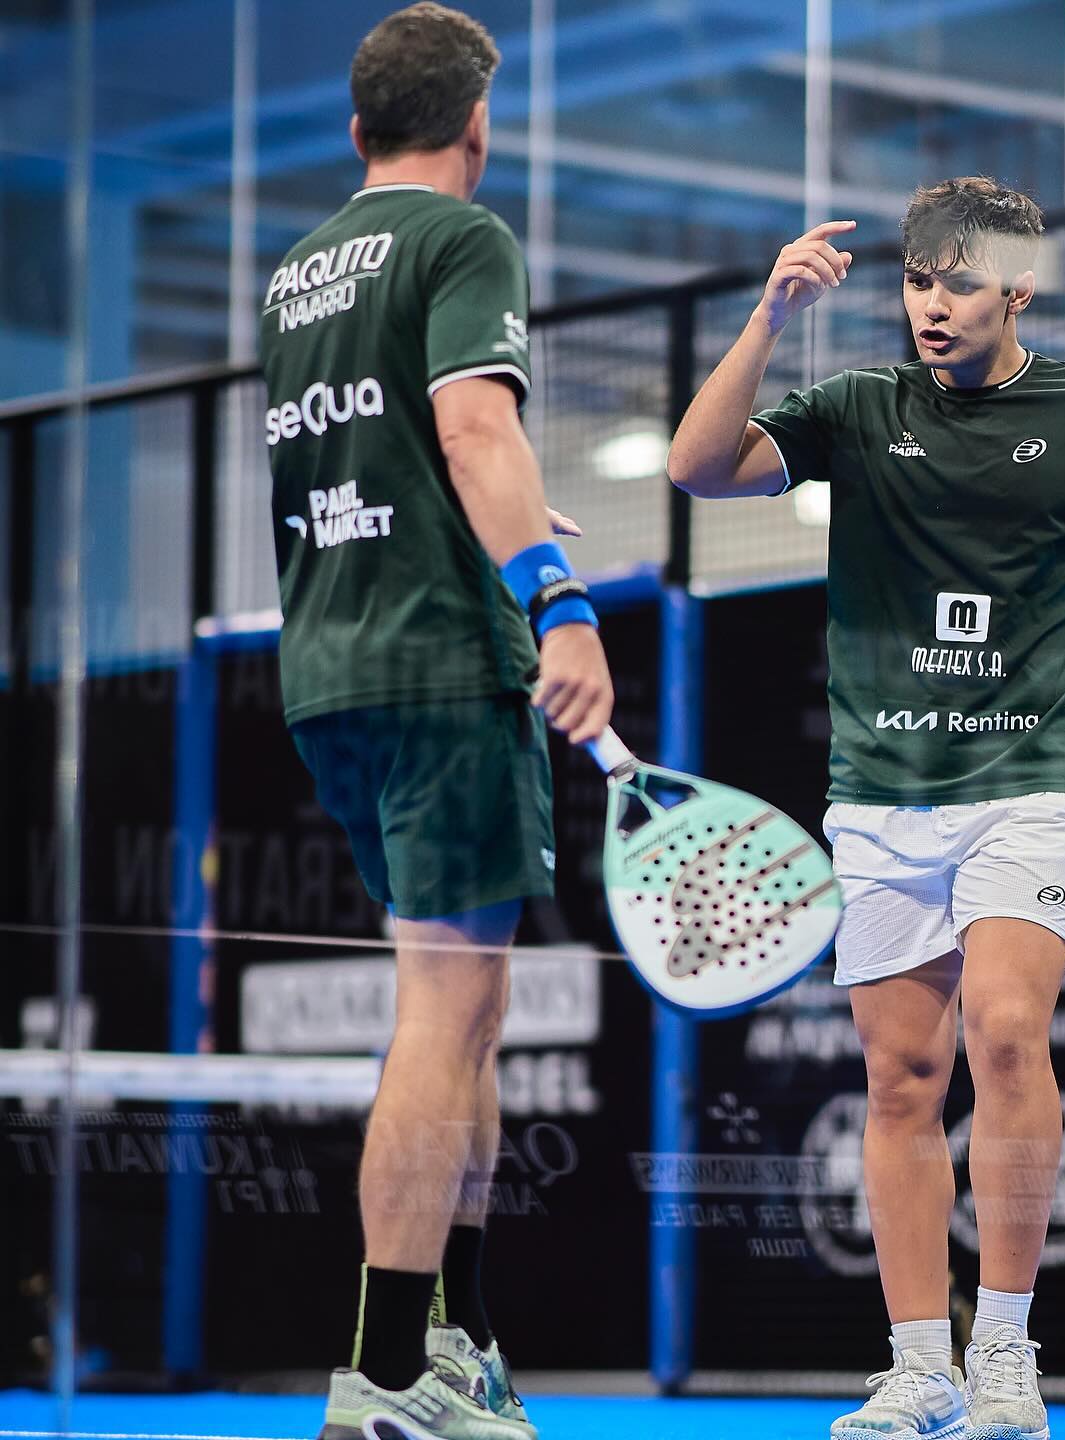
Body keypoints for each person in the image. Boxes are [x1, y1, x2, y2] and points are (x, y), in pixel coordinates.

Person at [668, 177, 1065, 1440]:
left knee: (1007, 1033)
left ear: (1018, 288)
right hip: (881, 791)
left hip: (1028, 783)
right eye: (917, 280)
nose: (931, 304)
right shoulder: (860, 407)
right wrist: (767, 314)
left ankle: (1004, 1359)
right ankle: (918, 1367)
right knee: (901, 1074)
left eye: (958, 283)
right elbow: (698, 467)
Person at [258, 7, 613, 1438]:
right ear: (477, 127)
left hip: (330, 668)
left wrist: (488, 531)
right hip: (442, 672)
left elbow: (384, 448)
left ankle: (452, 1346)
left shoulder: (295, 272)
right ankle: (389, 1374)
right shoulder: (467, 238)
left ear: (357, 131)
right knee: (442, 1015)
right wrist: (560, 595)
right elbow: (473, 427)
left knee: (471, 1012)